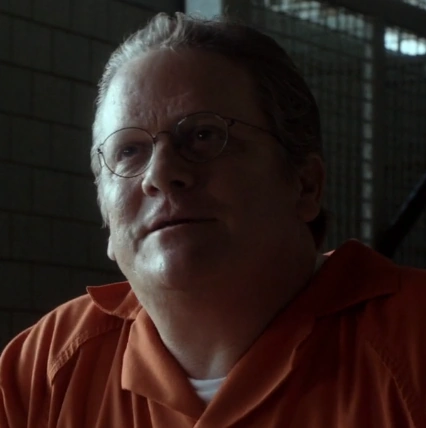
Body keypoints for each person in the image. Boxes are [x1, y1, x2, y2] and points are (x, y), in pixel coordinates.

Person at [1, 12, 426, 428]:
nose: (160, 174)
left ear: (305, 185)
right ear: (107, 219)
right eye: (129, 151)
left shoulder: (413, 340)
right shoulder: (42, 371)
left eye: (204, 135)